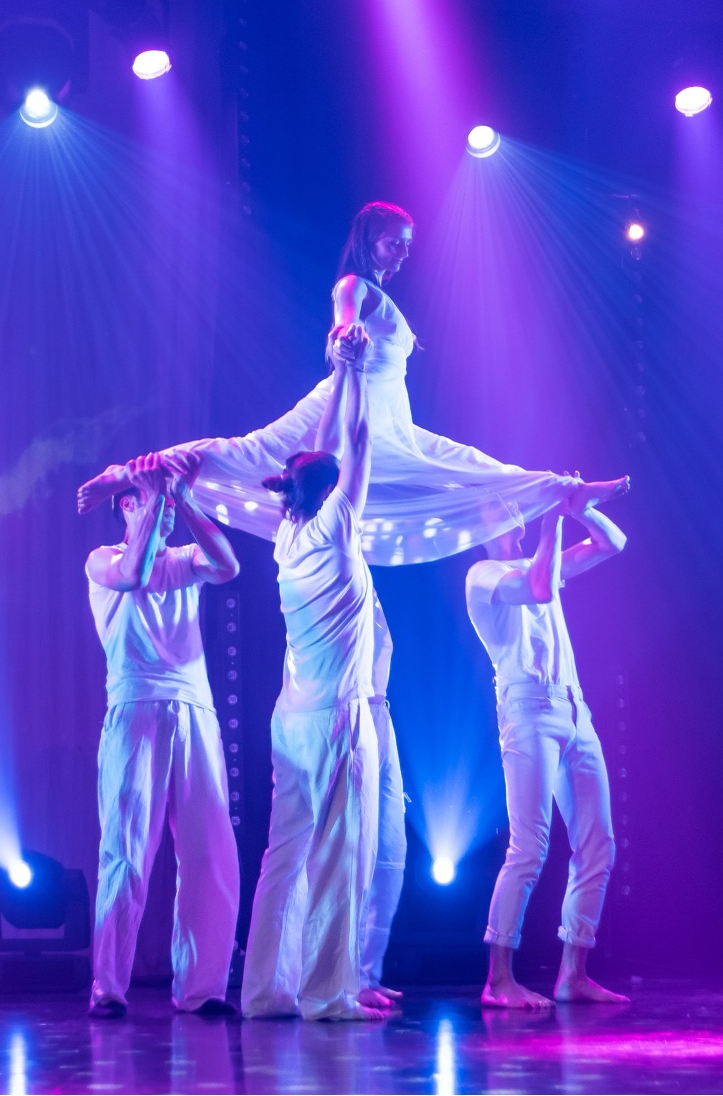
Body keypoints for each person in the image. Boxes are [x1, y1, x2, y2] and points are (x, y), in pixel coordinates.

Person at [77, 201, 628, 566]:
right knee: (245, 453)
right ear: (370, 242)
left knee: (469, 465)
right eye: (394, 243)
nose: (404, 252)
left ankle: (567, 491)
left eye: (408, 243)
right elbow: (343, 320)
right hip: (343, 404)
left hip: (393, 422)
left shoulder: (382, 294)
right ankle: (123, 473)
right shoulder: (353, 285)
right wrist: (346, 337)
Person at [240, 354, 383, 1021]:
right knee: (337, 853)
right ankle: (326, 993)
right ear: (332, 492)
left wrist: (345, 371)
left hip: (292, 717)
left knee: (286, 853)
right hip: (335, 718)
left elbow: (327, 449)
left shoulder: (288, 536)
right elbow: (356, 440)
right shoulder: (334, 527)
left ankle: (265, 990)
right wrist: (358, 372)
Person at [85, 452, 242, 1017]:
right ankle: (107, 988)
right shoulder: (103, 560)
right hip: (136, 709)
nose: (164, 510)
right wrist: (153, 499)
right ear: (128, 505)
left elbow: (228, 566)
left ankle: (202, 988)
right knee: (126, 853)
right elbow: (132, 574)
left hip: (194, 710)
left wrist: (185, 500)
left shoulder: (182, 561)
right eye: (150, 499)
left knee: (210, 853)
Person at [465, 483, 632, 1009]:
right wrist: (553, 519)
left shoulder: (544, 562)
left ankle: (572, 974)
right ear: (480, 527)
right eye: (498, 505)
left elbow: (613, 543)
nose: (510, 508)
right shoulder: (482, 575)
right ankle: (498, 980)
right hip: (527, 711)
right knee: (530, 847)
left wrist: (580, 508)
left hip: (574, 709)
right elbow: (537, 588)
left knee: (598, 843)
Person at [360, 593, 406, 1006]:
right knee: (356, 853)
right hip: (351, 713)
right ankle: (347, 977)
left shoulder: (368, 584)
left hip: (380, 713)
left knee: (391, 854)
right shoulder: (328, 567)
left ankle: (368, 973)